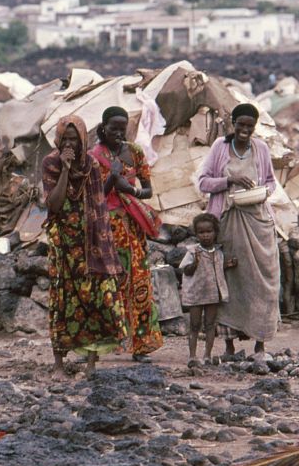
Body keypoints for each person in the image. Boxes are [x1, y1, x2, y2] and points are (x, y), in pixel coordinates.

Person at [42, 115, 128, 378]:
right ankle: (59, 363)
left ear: (82, 140)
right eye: (64, 139)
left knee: (96, 298)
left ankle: (91, 364)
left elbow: (99, 204)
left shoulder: (90, 164)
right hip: (63, 243)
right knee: (63, 298)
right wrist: (66, 170)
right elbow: (53, 205)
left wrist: (104, 245)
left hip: (90, 242)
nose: (69, 144)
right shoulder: (51, 163)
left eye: (74, 139)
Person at [197, 103, 280, 356]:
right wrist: (229, 181)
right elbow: (203, 182)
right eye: (240, 125)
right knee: (230, 281)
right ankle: (229, 345)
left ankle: (260, 342)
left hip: (258, 223)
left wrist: (262, 192)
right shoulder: (220, 148)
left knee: (262, 282)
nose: (245, 130)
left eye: (249, 126)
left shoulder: (261, 149)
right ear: (232, 124)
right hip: (228, 223)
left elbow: (271, 183)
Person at [92, 106, 163, 363]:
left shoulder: (134, 152)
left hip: (132, 228)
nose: (119, 133)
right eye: (114, 128)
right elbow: (93, 196)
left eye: (123, 129)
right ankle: (97, 347)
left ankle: (141, 345)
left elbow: (148, 190)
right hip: (106, 229)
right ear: (104, 127)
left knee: (139, 283)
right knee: (106, 286)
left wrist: (131, 192)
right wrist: (111, 179)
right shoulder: (94, 155)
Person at [179, 213, 236, 368]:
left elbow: (217, 268)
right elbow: (186, 271)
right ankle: (192, 356)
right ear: (196, 234)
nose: (205, 235)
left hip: (212, 294)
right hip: (196, 294)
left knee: (210, 325)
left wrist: (228, 264)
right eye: (201, 232)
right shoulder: (192, 252)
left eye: (209, 231)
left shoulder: (218, 252)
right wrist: (195, 262)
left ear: (215, 232)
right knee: (195, 325)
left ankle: (207, 355)